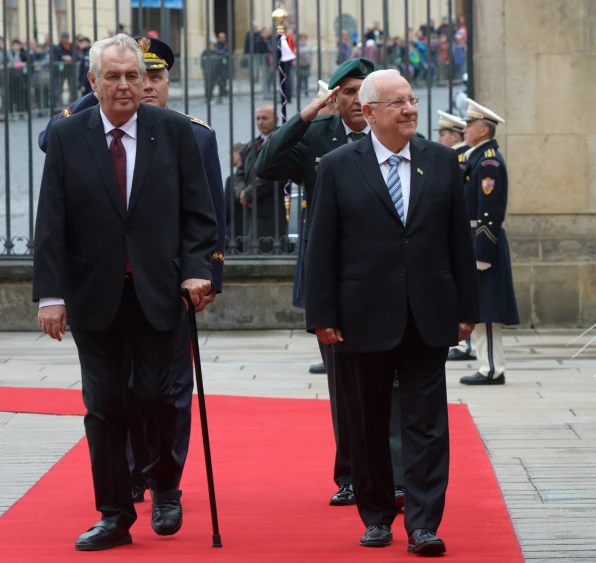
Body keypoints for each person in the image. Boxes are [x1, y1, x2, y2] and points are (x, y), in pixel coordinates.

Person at [32, 34, 218, 551]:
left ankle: (165, 486)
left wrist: (198, 270)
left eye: (132, 76)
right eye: (111, 76)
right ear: (92, 82)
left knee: (156, 395)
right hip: (93, 296)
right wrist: (50, 294)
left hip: (159, 293)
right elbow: (52, 222)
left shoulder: (176, 132)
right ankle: (114, 512)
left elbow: (200, 217)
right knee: (103, 406)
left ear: (145, 81)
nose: (123, 86)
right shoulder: (69, 137)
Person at [306, 69, 478, 555]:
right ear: (370, 111)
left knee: (427, 424)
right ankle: (378, 513)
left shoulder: (442, 162)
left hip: (428, 315)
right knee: (369, 420)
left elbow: (458, 243)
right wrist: (322, 314)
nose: (409, 110)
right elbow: (322, 247)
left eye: (412, 100)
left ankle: (423, 523)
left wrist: (467, 308)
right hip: (363, 316)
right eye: (398, 103)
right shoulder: (339, 165)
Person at [255, 58, 407, 509]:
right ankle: (351, 474)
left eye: (362, 90)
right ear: (335, 98)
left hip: (385, 278)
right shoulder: (318, 137)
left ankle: (396, 474)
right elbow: (266, 165)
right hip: (333, 281)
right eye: (346, 91)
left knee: (394, 381)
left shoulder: (392, 135)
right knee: (344, 386)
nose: (355, 99)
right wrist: (305, 116)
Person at [458, 99, 519, 386]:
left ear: (483, 130)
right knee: (480, 308)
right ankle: (487, 365)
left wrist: (483, 252)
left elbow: (490, 211)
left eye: (470, 125)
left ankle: (493, 368)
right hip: (474, 241)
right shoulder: (477, 158)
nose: (465, 130)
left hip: (484, 243)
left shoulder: (489, 162)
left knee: (488, 311)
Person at [436, 110, 477, 363]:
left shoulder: (464, 158)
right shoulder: (460, 157)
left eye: (443, 134)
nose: (440, 139)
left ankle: (486, 362)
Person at [235, 104, 288, 253]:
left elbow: (273, 173)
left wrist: (248, 193)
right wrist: (241, 192)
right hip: (249, 212)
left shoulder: (281, 141)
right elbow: (239, 173)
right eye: (258, 118)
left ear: (276, 119)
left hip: (270, 213)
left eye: (265, 118)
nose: (260, 122)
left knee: (267, 251)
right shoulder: (252, 145)